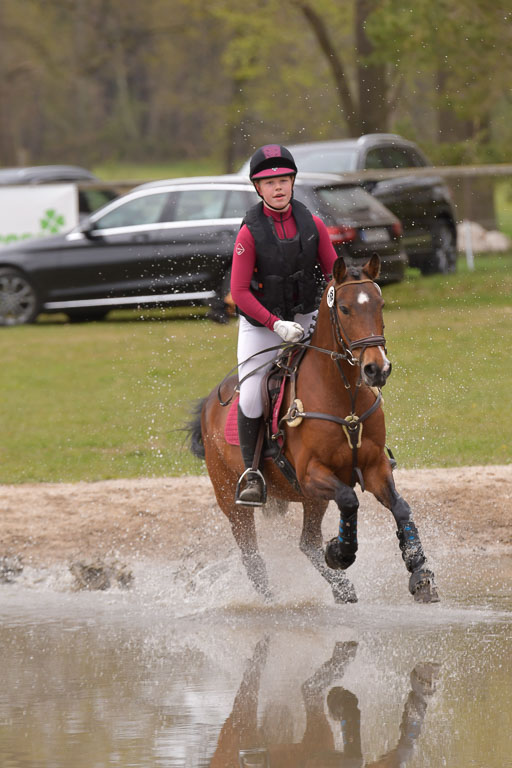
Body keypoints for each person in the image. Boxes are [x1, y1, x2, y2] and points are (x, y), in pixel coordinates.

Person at [231, 143, 338, 506]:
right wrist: (275, 325)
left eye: (284, 180)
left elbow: (335, 275)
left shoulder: (315, 225)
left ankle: (366, 447)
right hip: (262, 325)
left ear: (293, 182)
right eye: (269, 182)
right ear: (258, 188)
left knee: (342, 369)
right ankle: (252, 473)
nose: (278, 187)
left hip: (306, 316)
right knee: (251, 392)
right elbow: (240, 292)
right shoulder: (249, 234)